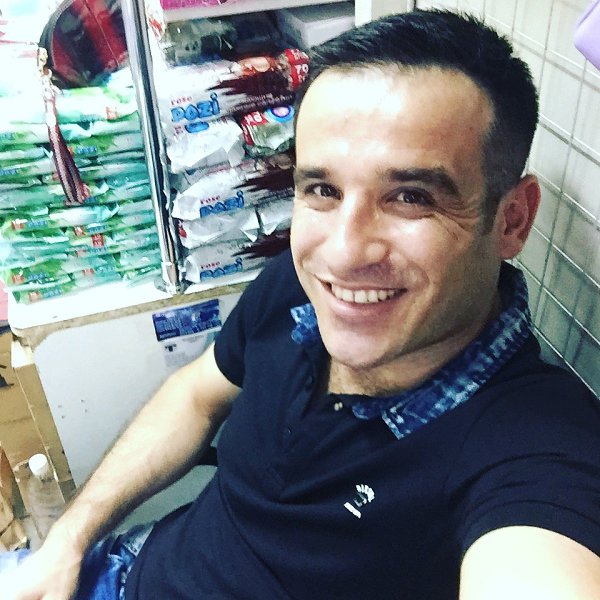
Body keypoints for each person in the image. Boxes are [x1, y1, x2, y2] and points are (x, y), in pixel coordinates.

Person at [2, 8, 600, 599]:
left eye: (411, 197)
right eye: (322, 189)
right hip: (124, 566)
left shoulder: (536, 447)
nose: (342, 252)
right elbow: (198, 393)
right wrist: (66, 544)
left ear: (512, 219)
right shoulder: (301, 287)